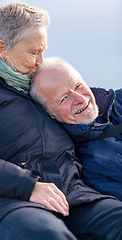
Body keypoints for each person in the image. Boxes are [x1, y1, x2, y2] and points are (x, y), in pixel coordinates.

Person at [0, 3, 122, 240]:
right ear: (2, 49)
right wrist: (30, 186)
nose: (40, 61)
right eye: (33, 52)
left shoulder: (39, 87)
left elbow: (92, 107)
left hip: (74, 197)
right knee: (46, 234)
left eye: (43, 51)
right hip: (11, 204)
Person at [30, 56, 122, 201]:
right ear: (50, 114)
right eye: (64, 98)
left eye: (78, 86)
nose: (80, 99)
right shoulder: (85, 165)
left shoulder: (117, 100)